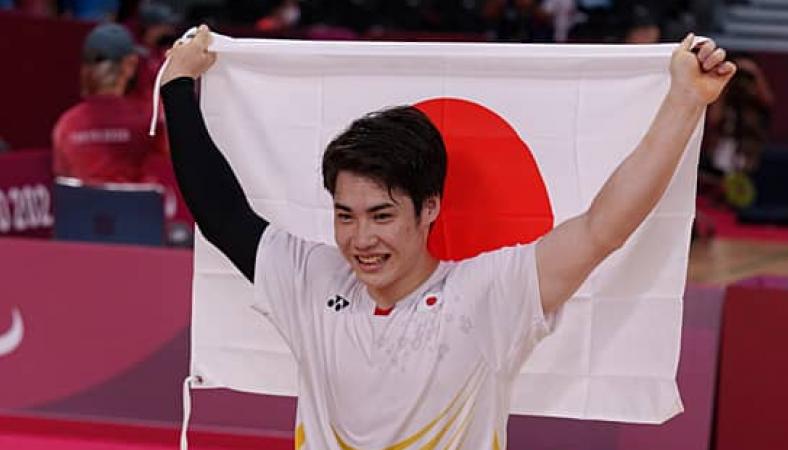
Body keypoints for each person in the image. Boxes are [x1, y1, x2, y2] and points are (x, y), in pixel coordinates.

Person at [159, 25, 735, 448]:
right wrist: (180, 83)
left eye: (382, 216)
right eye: (345, 215)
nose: (361, 239)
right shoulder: (310, 281)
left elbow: (603, 227)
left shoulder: (488, 295)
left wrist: (686, 100)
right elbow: (220, 212)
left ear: (429, 208)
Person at [52, 23, 167, 184]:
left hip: (82, 207)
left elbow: (63, 181)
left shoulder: (66, 124)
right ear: (129, 65)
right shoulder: (146, 119)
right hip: (134, 207)